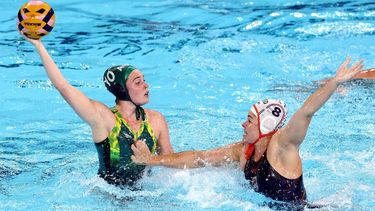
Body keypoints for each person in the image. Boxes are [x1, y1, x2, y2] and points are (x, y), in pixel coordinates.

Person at [130, 57, 364, 203]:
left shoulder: (282, 147)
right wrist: (152, 160)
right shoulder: (243, 151)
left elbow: (305, 112)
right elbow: (199, 158)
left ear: (265, 126)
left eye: (250, 120)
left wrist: (334, 82)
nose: (244, 124)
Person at [19, 33, 174, 186]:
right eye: (137, 82)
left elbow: (170, 164)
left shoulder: (156, 120)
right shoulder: (104, 119)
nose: (146, 85)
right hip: (109, 197)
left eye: (144, 80)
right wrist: (39, 45)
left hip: (145, 193)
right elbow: (63, 87)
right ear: (121, 89)